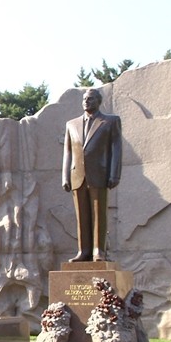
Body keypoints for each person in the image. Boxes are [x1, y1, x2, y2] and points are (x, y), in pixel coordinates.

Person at [61, 87, 123, 262]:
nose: (86, 101)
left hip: (100, 174)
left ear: (98, 101)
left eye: (90, 98)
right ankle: (84, 251)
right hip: (77, 176)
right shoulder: (71, 124)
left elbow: (116, 149)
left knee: (99, 213)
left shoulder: (110, 121)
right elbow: (68, 152)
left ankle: (98, 251)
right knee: (82, 215)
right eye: (84, 99)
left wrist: (114, 173)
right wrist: (65, 176)